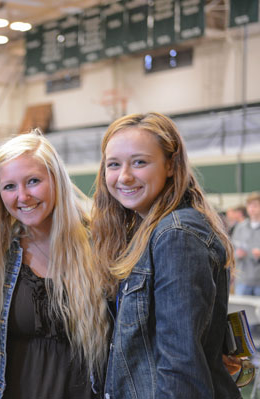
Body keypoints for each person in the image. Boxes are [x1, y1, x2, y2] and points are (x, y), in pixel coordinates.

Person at [90, 112, 240, 398]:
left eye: (140, 162)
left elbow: (181, 364)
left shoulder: (176, 234)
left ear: (171, 165)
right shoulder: (144, 232)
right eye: (113, 164)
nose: (124, 176)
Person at [0, 130, 110, 399]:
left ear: (56, 180)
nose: (23, 196)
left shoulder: (100, 243)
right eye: (10, 186)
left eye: (33, 181)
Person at [232, 192, 260, 296]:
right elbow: (231, 252)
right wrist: (237, 254)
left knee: (257, 312)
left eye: (255, 205)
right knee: (240, 312)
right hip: (242, 281)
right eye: (249, 205)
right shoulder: (240, 228)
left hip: (258, 282)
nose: (252, 209)